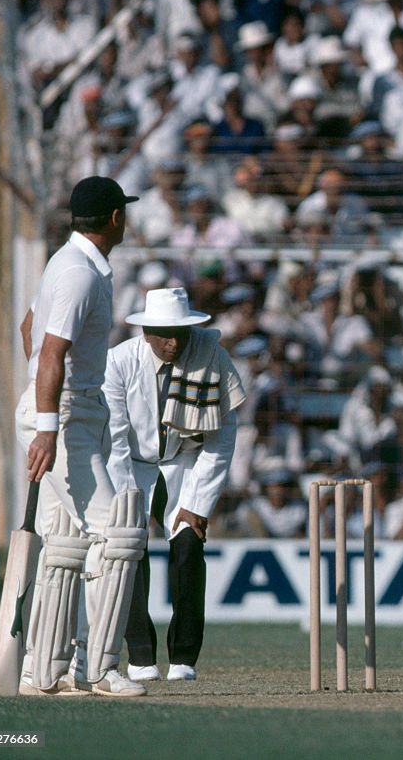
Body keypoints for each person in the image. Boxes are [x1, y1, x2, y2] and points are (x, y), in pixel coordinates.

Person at [16, 176, 147, 697]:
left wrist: (41, 399)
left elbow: (30, 327)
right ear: (116, 218)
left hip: (72, 410)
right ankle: (100, 668)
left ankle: (41, 671)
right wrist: (48, 425)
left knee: (65, 541)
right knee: (117, 534)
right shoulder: (78, 274)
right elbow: (49, 351)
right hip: (66, 416)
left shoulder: (67, 264)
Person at [104, 288, 245, 683]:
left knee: (187, 546)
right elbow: (114, 439)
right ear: (145, 331)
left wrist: (198, 503)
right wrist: (127, 498)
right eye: (163, 333)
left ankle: (184, 657)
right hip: (132, 464)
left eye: (180, 333)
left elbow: (222, 437)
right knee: (129, 549)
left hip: (186, 463)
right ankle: (141, 656)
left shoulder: (210, 356)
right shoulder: (118, 363)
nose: (173, 342)